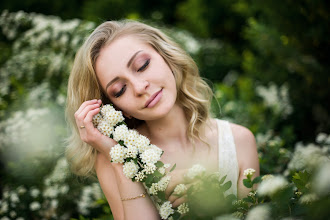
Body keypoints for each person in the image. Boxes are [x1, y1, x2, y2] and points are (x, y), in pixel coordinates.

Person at [66, 20, 259, 220]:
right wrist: (120, 159)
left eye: (142, 65)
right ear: (116, 108)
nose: (140, 87)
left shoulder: (239, 142)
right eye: (120, 90)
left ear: (167, 58)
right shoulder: (111, 160)